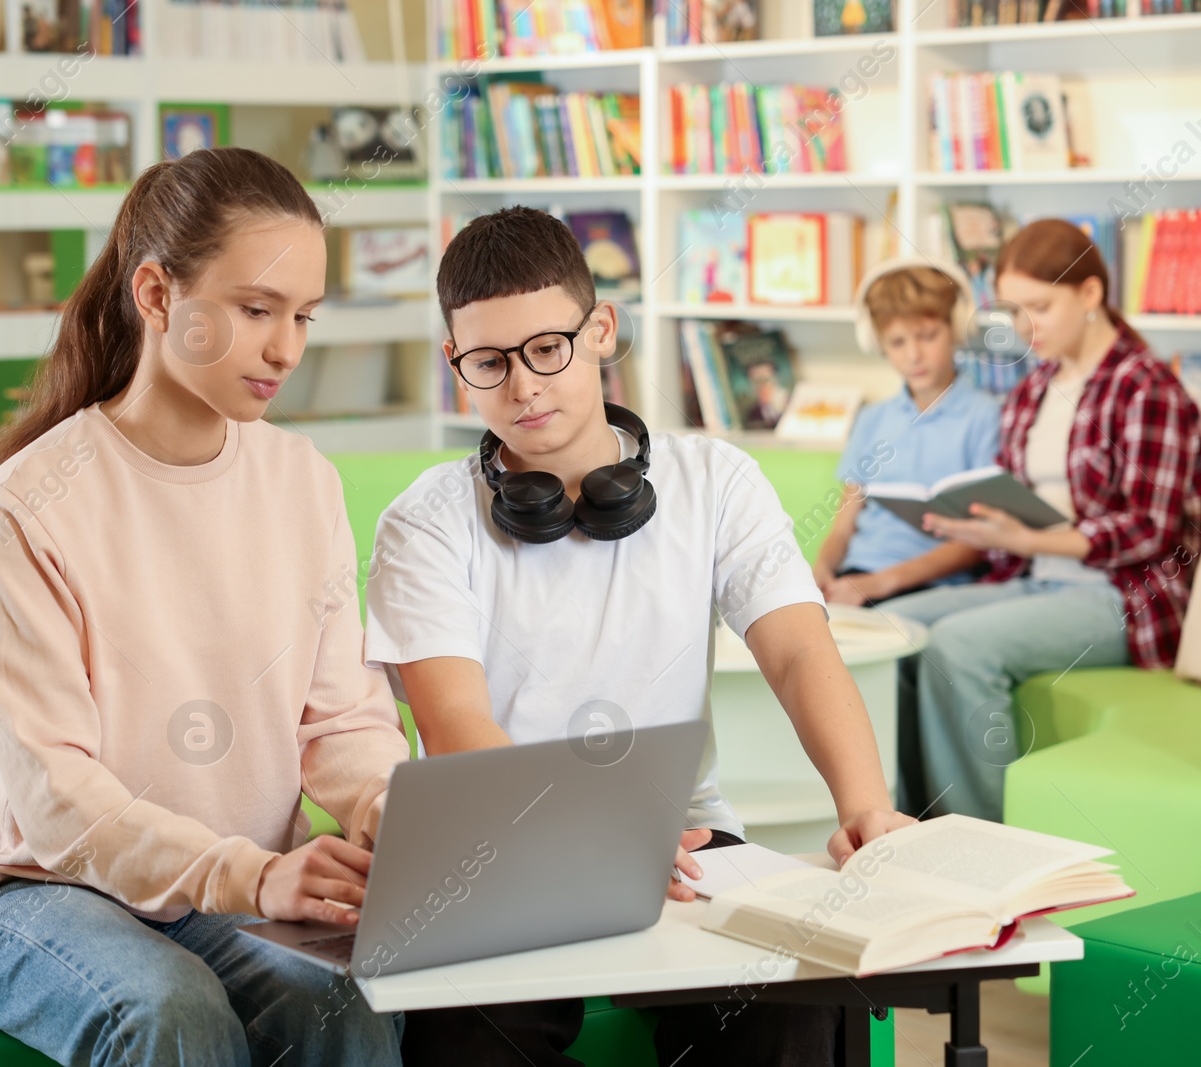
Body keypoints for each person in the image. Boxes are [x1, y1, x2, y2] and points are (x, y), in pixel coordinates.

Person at [363, 206, 914, 1067]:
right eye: (489, 362)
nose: (524, 386)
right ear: (455, 364)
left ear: (601, 331)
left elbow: (801, 651)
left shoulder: (716, 480)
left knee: (800, 1002)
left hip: (684, 842)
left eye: (547, 348)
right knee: (469, 1042)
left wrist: (865, 805)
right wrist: (593, 849)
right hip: (503, 854)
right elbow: (456, 726)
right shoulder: (425, 525)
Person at [0, 147, 408, 1067]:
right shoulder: (32, 499)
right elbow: (56, 797)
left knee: (349, 1004)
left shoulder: (302, 481)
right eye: (255, 309)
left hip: (228, 888)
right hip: (42, 890)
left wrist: (387, 807)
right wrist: (255, 873)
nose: (287, 349)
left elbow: (344, 719)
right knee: (173, 1010)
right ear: (156, 296)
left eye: (303, 316)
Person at [879, 218, 1201, 822]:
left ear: (1090, 294)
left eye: (1041, 306)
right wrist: (973, 521)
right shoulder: (1034, 390)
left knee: (958, 646)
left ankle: (978, 840)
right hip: (1036, 581)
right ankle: (904, 821)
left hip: (1122, 595)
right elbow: (1014, 498)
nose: (1027, 327)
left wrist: (1026, 536)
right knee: (893, 628)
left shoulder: (1146, 387)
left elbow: (1150, 528)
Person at [811, 259, 1001, 608]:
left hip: (931, 586)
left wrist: (881, 583)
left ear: (956, 328)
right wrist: (821, 570)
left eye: (928, 336)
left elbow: (981, 541)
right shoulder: (872, 419)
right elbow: (842, 528)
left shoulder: (984, 416)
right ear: (879, 344)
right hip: (857, 576)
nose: (914, 355)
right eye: (897, 343)